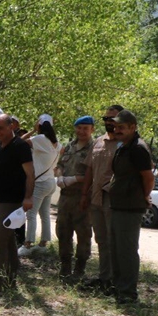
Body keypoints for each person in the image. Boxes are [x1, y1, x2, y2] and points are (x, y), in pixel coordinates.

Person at [107, 110, 154, 305]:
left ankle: (128, 293)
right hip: (118, 204)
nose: (117, 130)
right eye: (116, 126)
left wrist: (143, 196)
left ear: (132, 127)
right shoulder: (123, 146)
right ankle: (119, 287)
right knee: (116, 249)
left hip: (130, 207)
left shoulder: (138, 148)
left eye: (121, 127)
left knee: (126, 250)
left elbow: (148, 177)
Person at [0, 113, 34, 293]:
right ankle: (11, 279)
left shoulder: (21, 147)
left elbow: (31, 174)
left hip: (13, 202)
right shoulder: (0, 147)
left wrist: (28, 197)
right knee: (8, 243)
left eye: (1, 128)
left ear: (11, 126)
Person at [80, 106, 122, 293]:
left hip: (113, 199)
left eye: (112, 119)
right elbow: (89, 169)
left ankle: (117, 281)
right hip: (95, 198)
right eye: (106, 118)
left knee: (115, 241)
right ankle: (104, 278)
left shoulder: (125, 144)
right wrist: (84, 194)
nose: (108, 122)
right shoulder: (98, 142)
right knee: (102, 240)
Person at [55, 116, 95, 280]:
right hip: (65, 197)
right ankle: (65, 267)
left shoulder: (94, 148)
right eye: (79, 128)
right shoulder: (69, 147)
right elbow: (59, 165)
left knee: (83, 234)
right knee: (63, 232)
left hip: (83, 198)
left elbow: (93, 174)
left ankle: (79, 270)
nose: (82, 131)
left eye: (86, 128)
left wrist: (75, 179)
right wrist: (60, 176)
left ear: (92, 129)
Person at [18, 115, 61, 256]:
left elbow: (19, 142)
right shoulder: (57, 143)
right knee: (45, 214)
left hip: (40, 183)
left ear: (39, 126)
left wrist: (32, 130)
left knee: (31, 213)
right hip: (50, 182)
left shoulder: (40, 139)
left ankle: (28, 244)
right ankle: (43, 243)